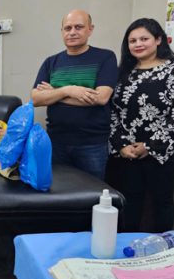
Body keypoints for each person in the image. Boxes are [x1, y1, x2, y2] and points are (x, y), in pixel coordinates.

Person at [106, 18, 174, 232]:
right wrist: (121, 145)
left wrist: (150, 146)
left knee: (160, 203)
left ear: (158, 40)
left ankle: (162, 252)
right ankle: (127, 252)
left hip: (161, 152)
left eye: (144, 39)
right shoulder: (122, 71)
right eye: (132, 40)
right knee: (128, 203)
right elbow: (113, 112)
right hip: (126, 153)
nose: (138, 44)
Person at [31, 10, 118, 180]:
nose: (72, 32)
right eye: (67, 28)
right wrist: (68, 90)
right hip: (56, 141)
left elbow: (100, 98)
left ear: (90, 30)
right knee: (59, 193)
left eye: (78, 27)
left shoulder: (105, 57)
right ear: (62, 31)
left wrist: (54, 94)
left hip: (92, 144)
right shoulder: (51, 61)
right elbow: (36, 99)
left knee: (92, 194)